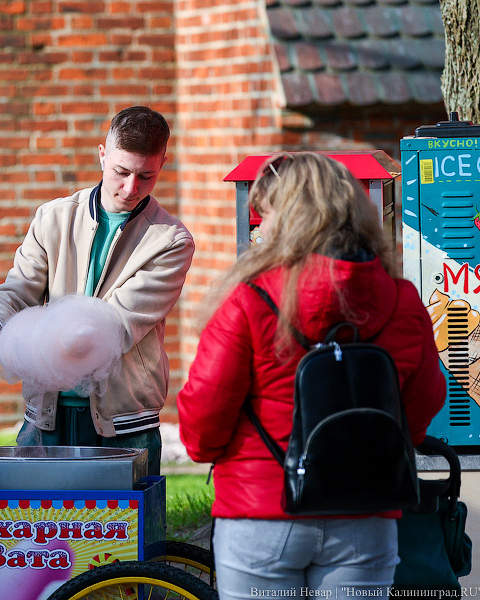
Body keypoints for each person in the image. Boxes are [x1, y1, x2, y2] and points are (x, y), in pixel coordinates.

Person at [176, 152, 446, 597]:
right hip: (365, 511)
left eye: (266, 214)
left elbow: (203, 422)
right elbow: (418, 413)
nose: (261, 226)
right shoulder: (402, 300)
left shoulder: (249, 300)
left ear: (286, 219)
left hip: (262, 512)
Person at [0, 106, 195, 475]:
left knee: (121, 517)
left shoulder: (171, 241)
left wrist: (25, 342)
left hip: (124, 424)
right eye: (121, 172)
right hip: (47, 414)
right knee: (35, 514)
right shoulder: (53, 218)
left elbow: (116, 327)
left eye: (146, 176)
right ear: (102, 155)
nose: (131, 188)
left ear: (163, 163)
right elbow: (18, 289)